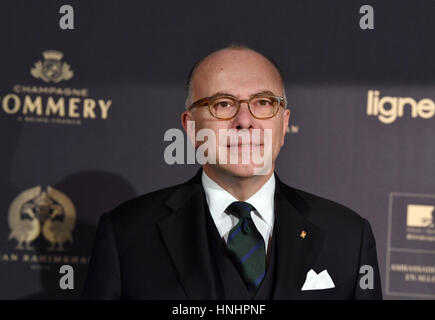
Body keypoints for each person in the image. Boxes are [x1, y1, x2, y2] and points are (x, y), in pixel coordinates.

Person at [82, 44, 382, 299]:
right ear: (191, 126)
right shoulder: (127, 234)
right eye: (222, 104)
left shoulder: (348, 237)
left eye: (263, 103)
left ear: (284, 122)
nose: (244, 121)